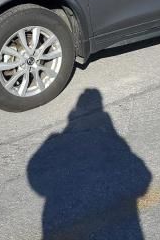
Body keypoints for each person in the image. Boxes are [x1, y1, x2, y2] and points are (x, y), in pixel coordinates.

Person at [27, 88, 152, 239]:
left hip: (57, 211)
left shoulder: (55, 141)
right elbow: (143, 177)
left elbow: (34, 171)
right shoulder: (111, 142)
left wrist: (52, 190)